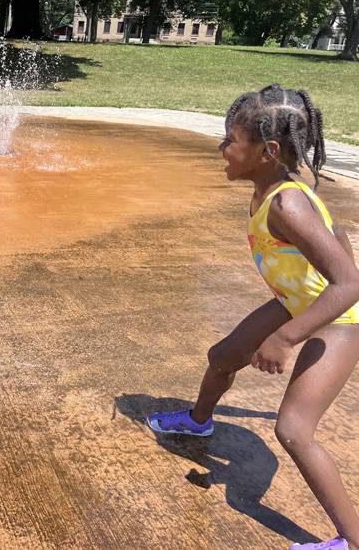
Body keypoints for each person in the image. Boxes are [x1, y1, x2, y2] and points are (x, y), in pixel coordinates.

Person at [147, 84, 359, 550]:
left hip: (335, 318)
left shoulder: (287, 204)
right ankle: (198, 421)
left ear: (267, 151)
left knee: (294, 430)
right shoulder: (273, 190)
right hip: (297, 300)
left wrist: (287, 338)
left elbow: (349, 283)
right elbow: (336, 231)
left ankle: (351, 539)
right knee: (223, 356)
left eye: (231, 139)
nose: (222, 147)